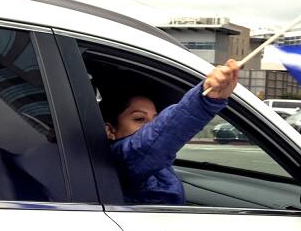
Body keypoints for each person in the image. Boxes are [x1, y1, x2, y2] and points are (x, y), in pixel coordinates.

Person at [101, 59, 239, 205]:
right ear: (110, 130)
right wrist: (205, 102)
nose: (150, 126)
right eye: (140, 119)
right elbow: (153, 141)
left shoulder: (150, 165)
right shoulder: (119, 159)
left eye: (155, 119)